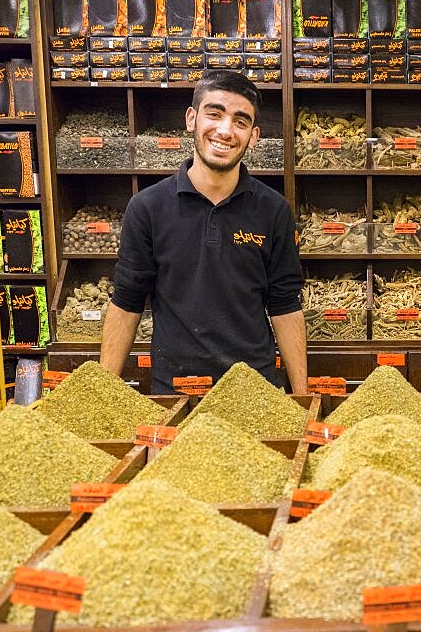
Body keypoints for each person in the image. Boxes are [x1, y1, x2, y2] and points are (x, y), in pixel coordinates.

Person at [99, 71, 307, 394]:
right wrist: (102, 396)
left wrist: (302, 396)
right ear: (191, 119)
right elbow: (127, 304)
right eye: (214, 114)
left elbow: (285, 306)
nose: (225, 130)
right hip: (178, 393)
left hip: (255, 395)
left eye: (241, 121)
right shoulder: (146, 209)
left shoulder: (274, 211)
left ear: (253, 136)